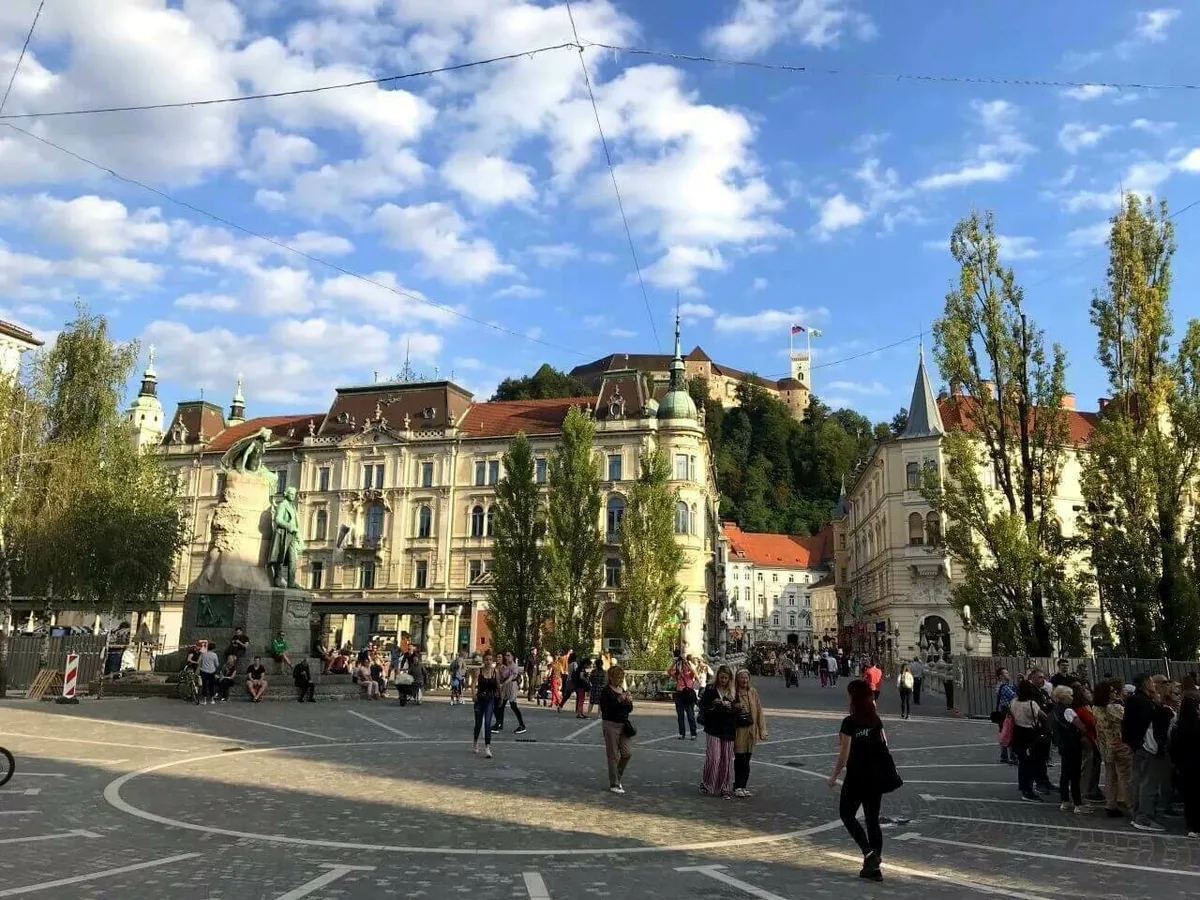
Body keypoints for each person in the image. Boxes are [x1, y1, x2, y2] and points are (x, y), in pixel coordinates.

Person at [828, 679, 888, 882]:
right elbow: (884, 745)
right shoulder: (875, 720)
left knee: (846, 814)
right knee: (872, 820)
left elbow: (844, 754)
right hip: (876, 777)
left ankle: (869, 854)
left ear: (854, 698)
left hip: (856, 777)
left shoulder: (850, 722)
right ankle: (874, 867)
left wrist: (834, 775)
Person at [698, 665, 737, 799]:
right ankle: (707, 782)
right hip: (713, 727)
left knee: (726, 759)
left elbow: (737, 710)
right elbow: (703, 706)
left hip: (728, 728)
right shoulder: (711, 690)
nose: (723, 680)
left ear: (730, 679)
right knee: (714, 758)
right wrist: (714, 704)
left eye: (726, 678)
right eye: (721, 677)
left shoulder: (732, 692)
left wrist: (731, 705)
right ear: (717, 677)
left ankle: (724, 787)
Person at [1050, 684, 1087, 813]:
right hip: (1073, 744)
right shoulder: (1068, 711)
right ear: (1064, 697)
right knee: (1075, 774)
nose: (1072, 697)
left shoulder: (1055, 710)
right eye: (1070, 695)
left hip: (1062, 744)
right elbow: (1081, 727)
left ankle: (1065, 801)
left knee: (1065, 773)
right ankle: (1078, 804)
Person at [1010, 679, 1048, 802]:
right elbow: (1043, 716)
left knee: (1023, 763)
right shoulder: (1032, 704)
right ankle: (1028, 790)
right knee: (1031, 762)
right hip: (1030, 734)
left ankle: (1025, 787)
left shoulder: (1014, 702)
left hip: (1017, 732)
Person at [599, 664, 634, 795]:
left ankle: (617, 776)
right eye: (618, 676)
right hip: (610, 724)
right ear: (612, 677)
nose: (620, 679)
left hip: (624, 725)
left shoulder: (623, 689)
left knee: (627, 753)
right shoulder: (606, 691)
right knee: (613, 755)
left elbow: (629, 709)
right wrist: (619, 700)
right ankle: (614, 783)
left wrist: (628, 701)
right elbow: (607, 709)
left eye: (621, 676)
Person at [733, 669, 767, 798]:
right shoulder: (734, 693)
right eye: (742, 678)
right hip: (739, 731)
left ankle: (744, 786)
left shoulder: (753, 692)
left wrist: (762, 729)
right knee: (740, 760)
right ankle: (737, 786)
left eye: (746, 678)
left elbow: (759, 711)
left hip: (752, 731)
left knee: (747, 760)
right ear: (737, 679)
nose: (744, 680)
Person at [473, 652, 500, 758]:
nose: (488, 662)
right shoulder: (478, 671)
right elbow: (473, 684)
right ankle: (475, 741)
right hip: (480, 699)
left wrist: (501, 697)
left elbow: (498, 685)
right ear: (483, 661)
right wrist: (473, 693)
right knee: (478, 723)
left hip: (490, 699)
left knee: (488, 723)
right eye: (486, 659)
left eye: (490, 660)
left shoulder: (495, 672)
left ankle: (487, 747)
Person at [668, 651, 698, 741]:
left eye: (684, 666)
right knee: (680, 716)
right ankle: (682, 733)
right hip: (679, 695)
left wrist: (687, 662)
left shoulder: (690, 675)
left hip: (688, 695)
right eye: (683, 666)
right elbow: (669, 671)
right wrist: (675, 662)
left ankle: (693, 733)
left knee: (690, 715)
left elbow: (694, 672)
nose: (683, 667)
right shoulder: (678, 675)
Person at [494, 651, 527, 734]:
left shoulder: (514, 666)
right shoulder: (506, 666)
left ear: (512, 657)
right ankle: (499, 723)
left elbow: (512, 677)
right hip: (505, 687)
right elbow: (502, 676)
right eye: (506, 655)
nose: (506, 657)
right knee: (501, 706)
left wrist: (503, 683)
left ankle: (522, 725)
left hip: (512, 686)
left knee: (513, 706)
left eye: (508, 655)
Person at [994, 668, 1017, 764]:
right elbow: (1014, 695)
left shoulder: (1001, 685)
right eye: (1006, 673)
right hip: (1006, 711)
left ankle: (1004, 756)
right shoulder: (1003, 687)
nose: (1008, 674)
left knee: (1004, 732)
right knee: (1010, 732)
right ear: (1001, 676)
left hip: (1002, 711)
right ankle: (1012, 756)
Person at [197, 641, 220, 705]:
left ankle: (204, 700)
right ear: (214, 649)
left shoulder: (203, 653)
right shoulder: (214, 655)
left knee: (204, 685)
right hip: (212, 671)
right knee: (211, 685)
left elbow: (198, 661)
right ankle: (212, 699)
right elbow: (217, 664)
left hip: (203, 671)